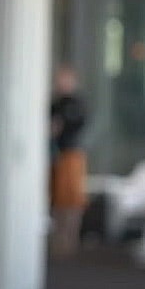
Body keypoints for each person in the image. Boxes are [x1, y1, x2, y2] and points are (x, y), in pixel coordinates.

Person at [49, 64, 88, 257]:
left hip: (71, 154)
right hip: (55, 155)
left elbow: (78, 126)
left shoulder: (77, 105)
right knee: (57, 199)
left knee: (72, 199)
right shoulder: (53, 104)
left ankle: (70, 240)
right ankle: (57, 240)